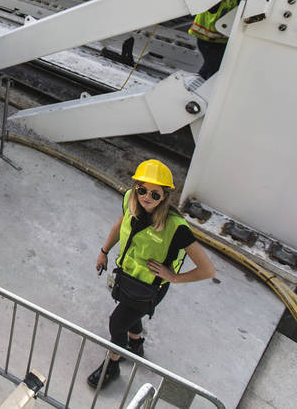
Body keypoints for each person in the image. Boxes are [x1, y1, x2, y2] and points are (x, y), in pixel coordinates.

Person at [87, 159, 215, 389]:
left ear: (165, 196)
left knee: (117, 324)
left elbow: (207, 270)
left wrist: (173, 277)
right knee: (130, 317)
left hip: (148, 289)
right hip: (126, 278)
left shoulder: (176, 227)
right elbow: (119, 226)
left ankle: (112, 366)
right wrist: (103, 251)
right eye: (142, 190)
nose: (147, 197)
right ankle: (135, 345)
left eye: (155, 194)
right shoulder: (130, 200)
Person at [187, 0, 240, 79]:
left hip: (214, 41)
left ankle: (199, 82)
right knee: (214, 70)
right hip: (210, 40)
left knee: (210, 67)